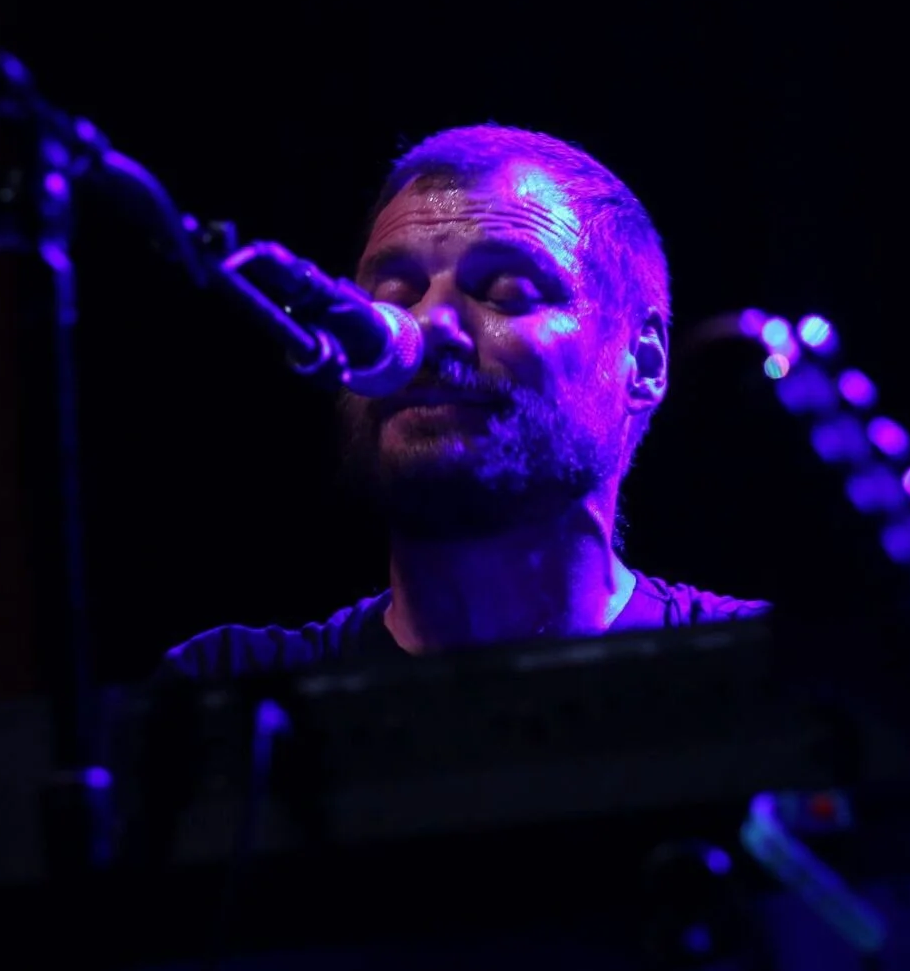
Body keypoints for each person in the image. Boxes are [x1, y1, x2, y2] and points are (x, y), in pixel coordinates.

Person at [155, 123, 768, 684]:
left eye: (507, 291)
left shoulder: (759, 669)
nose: (427, 324)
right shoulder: (228, 692)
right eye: (395, 295)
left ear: (644, 362)